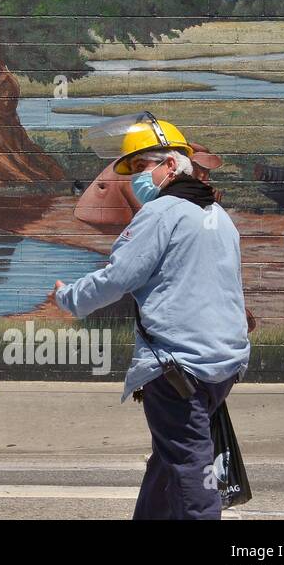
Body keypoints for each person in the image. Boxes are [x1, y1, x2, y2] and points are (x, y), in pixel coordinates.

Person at [52, 116, 250, 520]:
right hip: (222, 363)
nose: (138, 178)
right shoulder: (218, 216)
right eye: (134, 169)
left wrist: (68, 299)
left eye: (144, 166)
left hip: (178, 367)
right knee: (171, 455)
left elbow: (118, 277)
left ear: (172, 165)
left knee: (191, 465)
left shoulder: (161, 214)